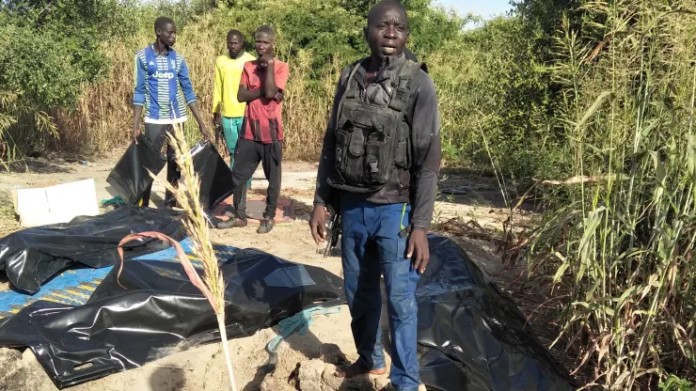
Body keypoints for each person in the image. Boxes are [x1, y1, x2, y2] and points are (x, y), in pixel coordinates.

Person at [309, 1, 441, 390]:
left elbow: (428, 161)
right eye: (382, 25)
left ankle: (405, 381)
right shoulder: (351, 75)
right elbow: (332, 143)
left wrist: (420, 226)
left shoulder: (419, 83)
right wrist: (321, 201)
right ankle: (370, 359)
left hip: (396, 211)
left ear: (407, 35)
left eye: (398, 28)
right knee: (357, 292)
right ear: (367, 29)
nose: (390, 33)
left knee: (400, 300)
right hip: (351, 206)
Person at [217, 25, 289, 234]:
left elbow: (270, 89)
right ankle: (239, 216)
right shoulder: (248, 66)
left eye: (265, 42)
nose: (261, 46)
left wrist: (268, 70)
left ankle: (268, 217)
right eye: (258, 41)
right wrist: (264, 91)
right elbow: (242, 96)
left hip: (271, 133)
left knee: (273, 178)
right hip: (249, 131)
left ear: (272, 43)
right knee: (238, 176)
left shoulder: (281, 67)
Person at [132, 16, 209, 208]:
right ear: (159, 32)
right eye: (170, 32)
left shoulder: (178, 60)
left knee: (175, 162)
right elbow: (139, 91)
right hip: (154, 118)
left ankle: (170, 203)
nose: (174, 36)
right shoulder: (142, 57)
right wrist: (135, 125)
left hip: (177, 118)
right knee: (149, 163)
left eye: (175, 33)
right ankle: (143, 206)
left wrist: (201, 122)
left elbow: (188, 91)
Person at [212, 29, 256, 213]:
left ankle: (246, 185)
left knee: (246, 152)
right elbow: (218, 87)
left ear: (242, 43)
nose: (232, 46)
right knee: (233, 152)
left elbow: (255, 88)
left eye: (236, 43)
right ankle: (236, 184)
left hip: (246, 113)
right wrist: (216, 111)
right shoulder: (220, 61)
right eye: (230, 42)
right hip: (228, 114)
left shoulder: (251, 60)